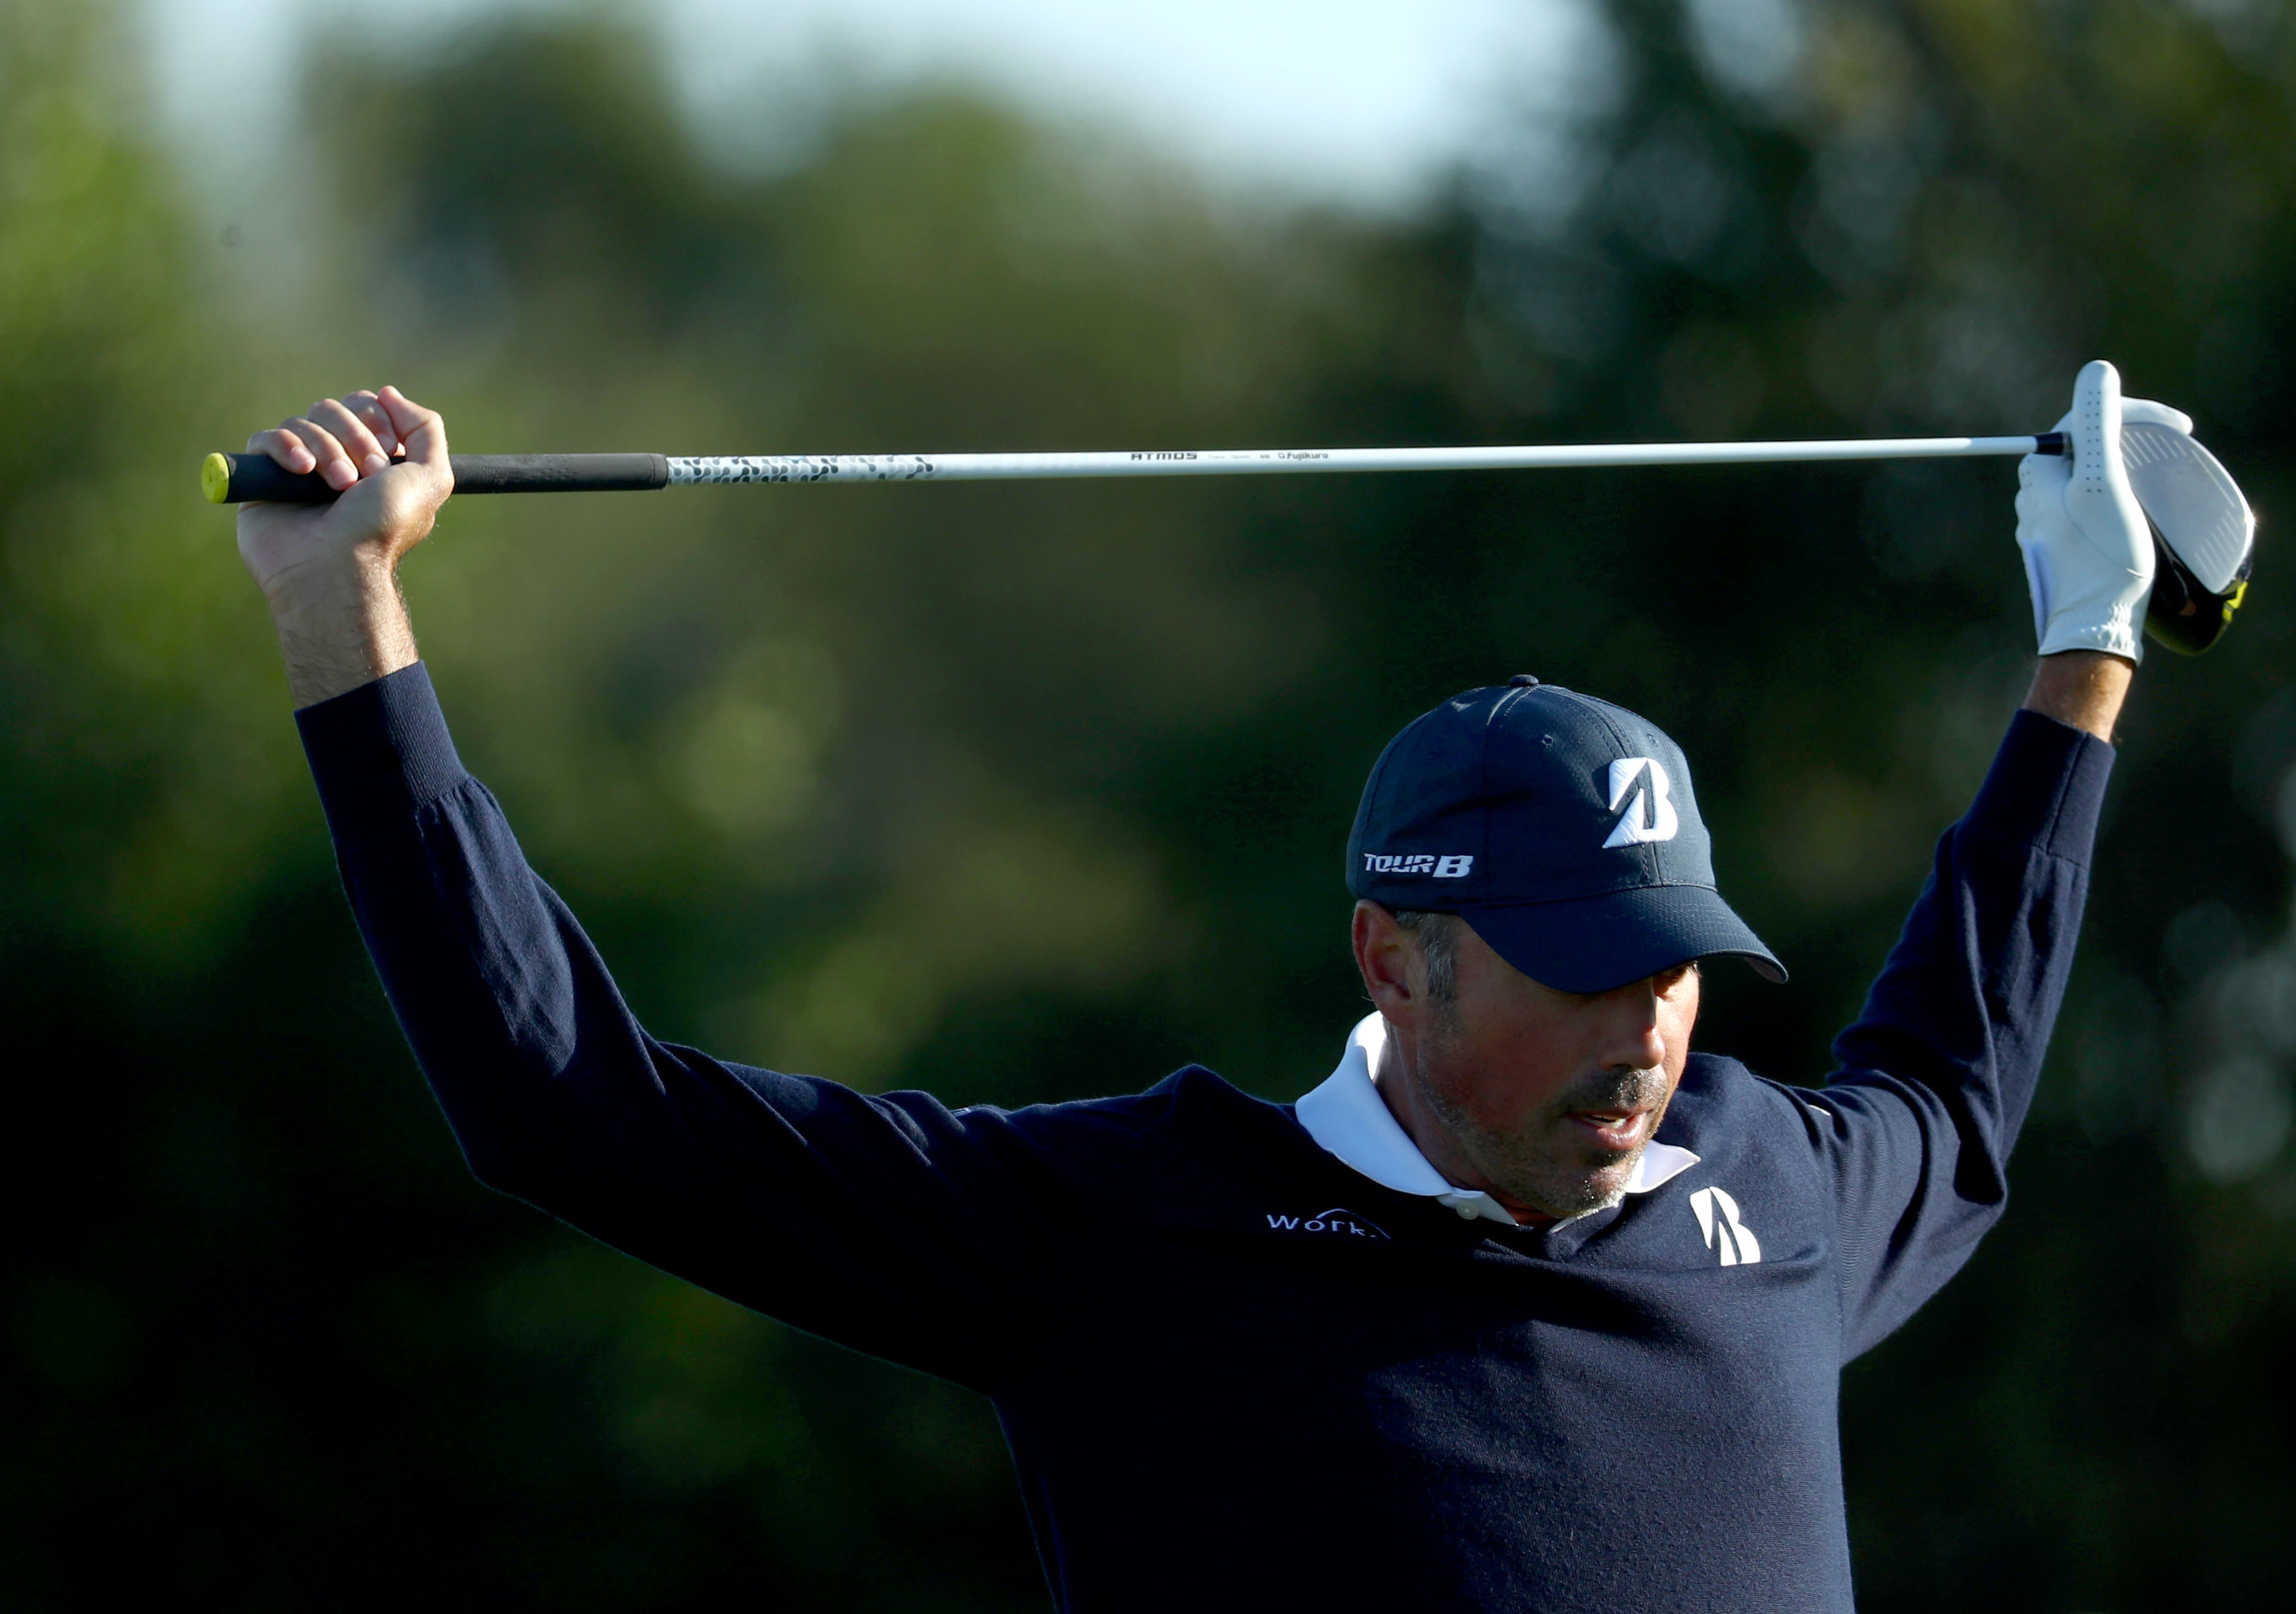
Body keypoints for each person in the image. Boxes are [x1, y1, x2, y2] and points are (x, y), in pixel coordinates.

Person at [239, 362, 2159, 1612]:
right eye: (1584, 971)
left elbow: (1954, 1088)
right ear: (1392, 959)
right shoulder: (1130, 1228)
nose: (1648, 1029)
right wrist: (347, 617)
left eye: (1675, 968)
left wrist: (2091, 642)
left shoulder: (1769, 1191)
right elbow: (573, 1109)